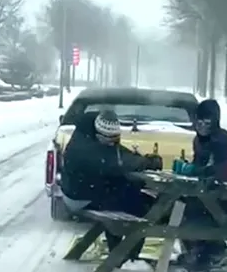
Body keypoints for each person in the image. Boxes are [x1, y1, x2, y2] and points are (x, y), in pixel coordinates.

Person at [60, 109, 163, 261]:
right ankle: (127, 257)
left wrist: (140, 159)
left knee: (130, 195)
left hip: (88, 189)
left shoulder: (93, 136)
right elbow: (111, 161)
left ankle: (120, 254)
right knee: (139, 209)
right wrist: (144, 162)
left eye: (116, 139)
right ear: (98, 135)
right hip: (79, 196)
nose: (112, 144)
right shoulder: (84, 148)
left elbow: (117, 153)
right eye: (109, 140)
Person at [174, 99, 227, 272]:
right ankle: (196, 250)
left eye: (206, 122)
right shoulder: (199, 140)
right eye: (198, 121)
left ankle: (215, 252)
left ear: (214, 122)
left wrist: (201, 172)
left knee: (193, 211)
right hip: (205, 191)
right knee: (178, 205)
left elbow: (224, 171)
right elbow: (199, 165)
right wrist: (189, 170)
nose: (201, 126)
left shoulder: (222, 141)